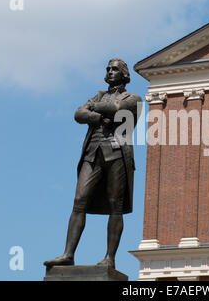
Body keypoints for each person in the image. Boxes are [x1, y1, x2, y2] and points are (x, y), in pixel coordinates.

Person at [44, 59, 142, 269]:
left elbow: (118, 108)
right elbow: (78, 114)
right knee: (80, 199)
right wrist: (98, 118)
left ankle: (109, 258)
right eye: (108, 69)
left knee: (116, 205)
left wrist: (93, 108)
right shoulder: (98, 95)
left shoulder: (134, 98)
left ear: (124, 74)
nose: (110, 72)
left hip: (117, 153)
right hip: (92, 152)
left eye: (114, 69)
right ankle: (68, 254)